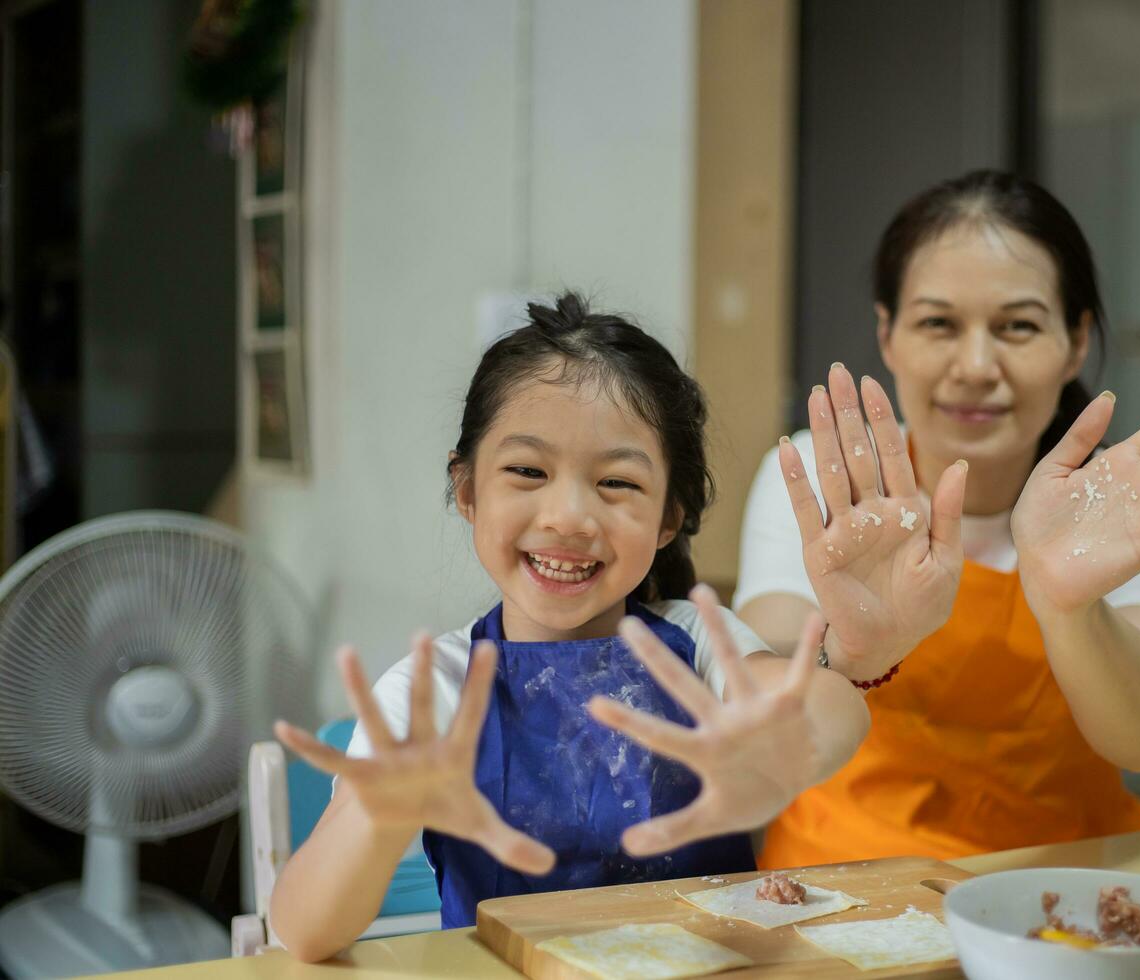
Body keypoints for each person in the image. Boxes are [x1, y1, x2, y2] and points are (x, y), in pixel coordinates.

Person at [269, 293, 870, 960]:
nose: (569, 517)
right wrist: (380, 819)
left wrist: (791, 740)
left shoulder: (697, 642)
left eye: (616, 483)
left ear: (668, 518)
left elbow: (822, 710)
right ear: (467, 490)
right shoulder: (434, 687)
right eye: (528, 471)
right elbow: (302, 931)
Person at [735, 170, 1140, 866]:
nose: (975, 365)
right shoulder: (821, 475)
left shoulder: (1131, 505)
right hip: (845, 880)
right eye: (938, 323)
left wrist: (1068, 604)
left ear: (1076, 342)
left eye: (1017, 326)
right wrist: (852, 650)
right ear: (888, 335)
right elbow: (766, 684)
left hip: (1063, 888)